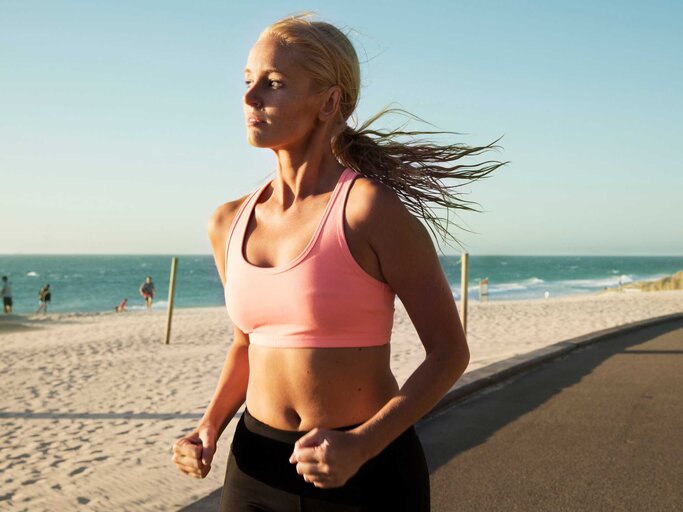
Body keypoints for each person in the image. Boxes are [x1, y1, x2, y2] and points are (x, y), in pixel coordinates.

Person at [171, 12, 504, 511]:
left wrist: (364, 444)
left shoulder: (369, 211)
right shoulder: (228, 221)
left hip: (365, 474)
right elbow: (246, 343)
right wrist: (208, 426)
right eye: (247, 80)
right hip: (255, 468)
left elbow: (449, 352)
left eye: (274, 83)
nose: (249, 97)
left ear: (328, 102)